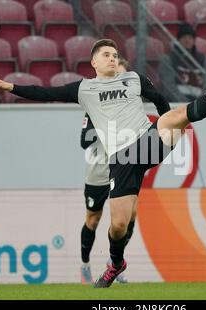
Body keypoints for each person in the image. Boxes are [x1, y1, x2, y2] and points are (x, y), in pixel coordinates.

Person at [0, 38, 206, 288]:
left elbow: (158, 99)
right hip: (121, 159)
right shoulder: (84, 89)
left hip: (146, 143)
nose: (112, 58)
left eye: (114, 55)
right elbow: (45, 93)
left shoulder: (134, 79)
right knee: (119, 224)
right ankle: (116, 264)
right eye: (106, 55)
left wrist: (166, 119)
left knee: (173, 118)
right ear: (94, 63)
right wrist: (11, 87)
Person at [80, 57, 132, 285]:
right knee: (93, 219)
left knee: (129, 218)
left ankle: (115, 263)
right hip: (98, 172)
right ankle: (84, 265)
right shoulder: (95, 103)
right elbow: (84, 141)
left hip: (123, 168)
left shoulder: (132, 106)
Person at [158, 23, 206, 102]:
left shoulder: (202, 59)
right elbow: (169, 86)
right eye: (184, 37)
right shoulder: (168, 59)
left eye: (190, 37)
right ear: (178, 40)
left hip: (198, 105)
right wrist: (186, 104)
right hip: (176, 105)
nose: (187, 40)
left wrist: (201, 103)